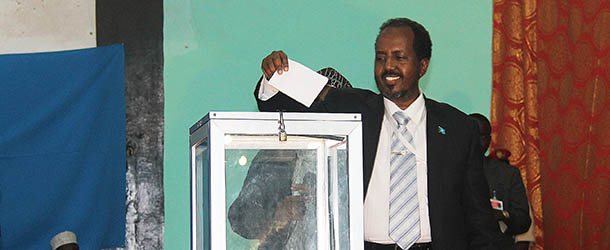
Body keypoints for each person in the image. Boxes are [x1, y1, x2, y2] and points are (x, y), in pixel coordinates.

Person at [253, 17, 499, 250]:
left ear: (422, 66)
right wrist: (275, 75)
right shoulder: (351, 109)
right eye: (380, 58)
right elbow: (280, 107)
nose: (388, 66)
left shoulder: (457, 127)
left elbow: (479, 218)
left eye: (399, 57)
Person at [228, 67, 353, 250]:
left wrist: (324, 200)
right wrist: (276, 213)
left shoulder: (353, 157)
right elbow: (239, 218)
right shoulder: (278, 155)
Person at [469, 113, 531, 249]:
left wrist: (503, 215)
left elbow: (523, 221)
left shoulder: (507, 174)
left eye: (482, 137)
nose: (476, 142)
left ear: (489, 140)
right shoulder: (446, 171)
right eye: (471, 135)